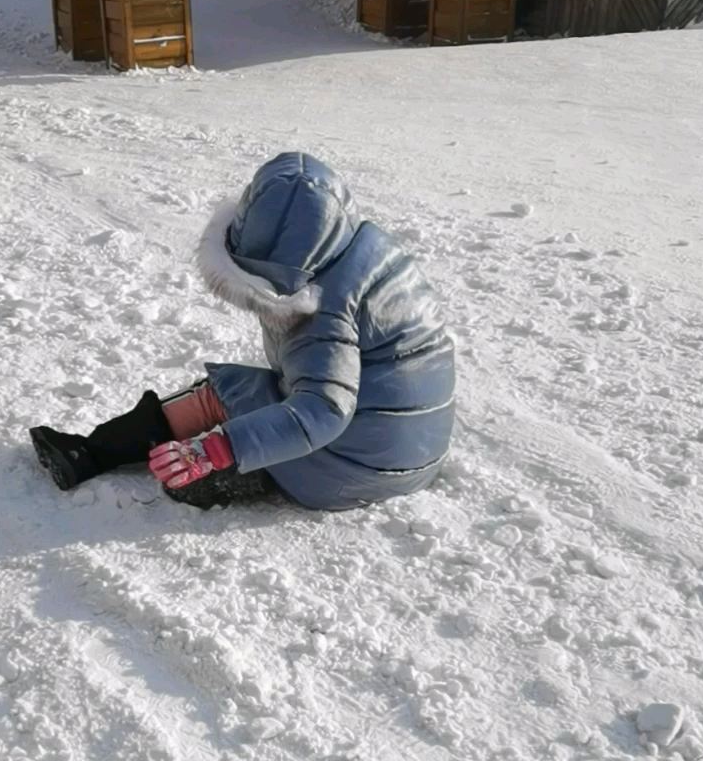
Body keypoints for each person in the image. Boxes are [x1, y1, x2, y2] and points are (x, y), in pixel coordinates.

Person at [30, 152, 456, 511]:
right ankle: (106, 452)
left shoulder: (322, 311)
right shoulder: (363, 252)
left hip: (353, 467)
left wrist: (216, 448)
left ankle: (118, 457)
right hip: (413, 450)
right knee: (251, 392)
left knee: (223, 397)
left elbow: (325, 410)